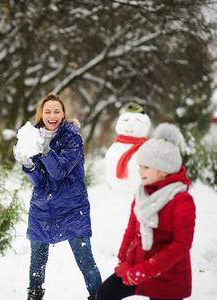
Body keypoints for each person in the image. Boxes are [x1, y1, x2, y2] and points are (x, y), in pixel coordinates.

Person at [13, 93, 102, 300]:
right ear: (41, 115)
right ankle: (34, 296)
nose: (52, 115)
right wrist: (28, 165)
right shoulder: (32, 137)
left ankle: (99, 296)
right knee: (37, 262)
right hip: (42, 209)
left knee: (85, 259)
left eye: (57, 111)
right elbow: (41, 182)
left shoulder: (73, 138)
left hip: (72, 209)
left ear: (63, 114)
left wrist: (45, 151)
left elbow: (60, 172)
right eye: (48, 112)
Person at [97, 123, 196, 300]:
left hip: (167, 275)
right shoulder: (142, 193)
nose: (139, 170)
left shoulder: (181, 201)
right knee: (105, 293)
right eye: (140, 165)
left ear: (163, 170)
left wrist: (147, 270)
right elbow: (131, 230)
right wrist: (123, 262)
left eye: (146, 166)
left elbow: (182, 244)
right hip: (136, 267)